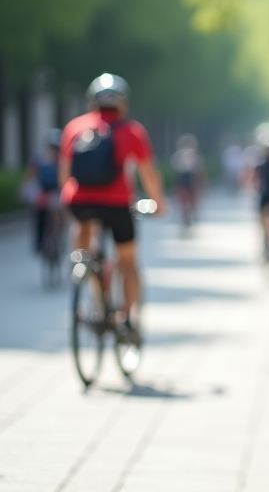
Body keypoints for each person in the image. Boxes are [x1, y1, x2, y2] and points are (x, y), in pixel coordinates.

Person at [59, 74, 167, 338]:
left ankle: (86, 271)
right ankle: (127, 320)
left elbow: (65, 174)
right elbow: (148, 175)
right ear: (124, 104)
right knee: (127, 260)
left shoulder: (75, 128)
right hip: (117, 204)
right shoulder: (132, 131)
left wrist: (69, 197)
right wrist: (159, 203)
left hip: (79, 202)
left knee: (83, 228)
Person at [23, 128, 62, 257]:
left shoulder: (63, 160)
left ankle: (59, 239)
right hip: (42, 192)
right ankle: (40, 242)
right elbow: (31, 176)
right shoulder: (39, 158)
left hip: (57, 192)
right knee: (38, 213)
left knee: (61, 214)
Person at [170, 133, 205, 232]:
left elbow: (199, 171)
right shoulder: (178, 156)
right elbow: (176, 172)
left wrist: (200, 183)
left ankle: (191, 216)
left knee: (192, 201)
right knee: (183, 202)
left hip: (191, 181)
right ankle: (185, 219)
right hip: (183, 181)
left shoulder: (196, 156)